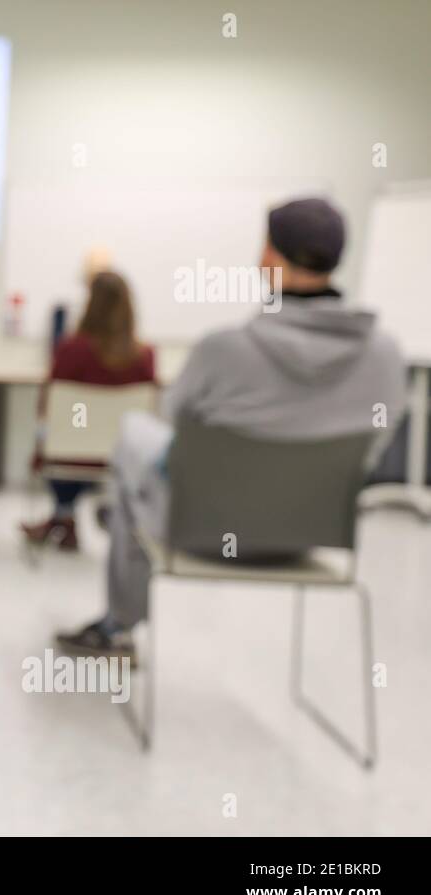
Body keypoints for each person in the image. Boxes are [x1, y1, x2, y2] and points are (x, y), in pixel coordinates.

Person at [56, 198, 406, 659]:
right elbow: (371, 449)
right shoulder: (386, 357)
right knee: (141, 462)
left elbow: (175, 429)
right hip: (309, 535)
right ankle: (124, 511)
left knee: (134, 436)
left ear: (268, 258)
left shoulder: (223, 351)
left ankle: (117, 624)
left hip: (202, 532)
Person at [21, 270, 156, 551]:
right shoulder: (144, 356)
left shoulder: (70, 350)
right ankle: (71, 517)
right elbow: (148, 418)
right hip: (122, 455)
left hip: (68, 454)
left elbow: (47, 407)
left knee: (58, 437)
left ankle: (63, 516)